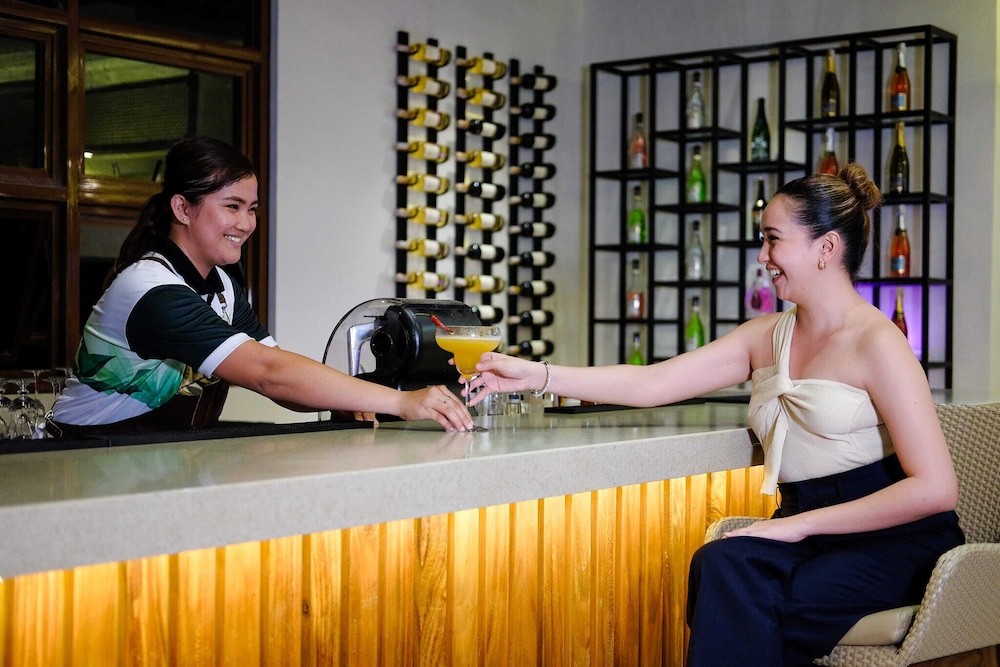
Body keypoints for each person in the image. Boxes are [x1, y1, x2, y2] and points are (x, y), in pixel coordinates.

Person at [466, 163, 963, 666]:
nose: (762, 256)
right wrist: (537, 375)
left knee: (760, 598)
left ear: (826, 248)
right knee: (720, 564)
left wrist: (797, 527)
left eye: (773, 239)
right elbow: (654, 383)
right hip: (810, 529)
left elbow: (935, 488)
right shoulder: (765, 335)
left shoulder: (879, 343)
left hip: (894, 538)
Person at [53, 137, 474, 434]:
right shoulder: (152, 290)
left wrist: (348, 399)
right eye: (232, 206)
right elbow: (268, 374)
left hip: (156, 452)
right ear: (182, 208)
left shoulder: (222, 284)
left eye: (251, 209)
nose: (245, 224)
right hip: (85, 453)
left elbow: (279, 372)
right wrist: (400, 400)